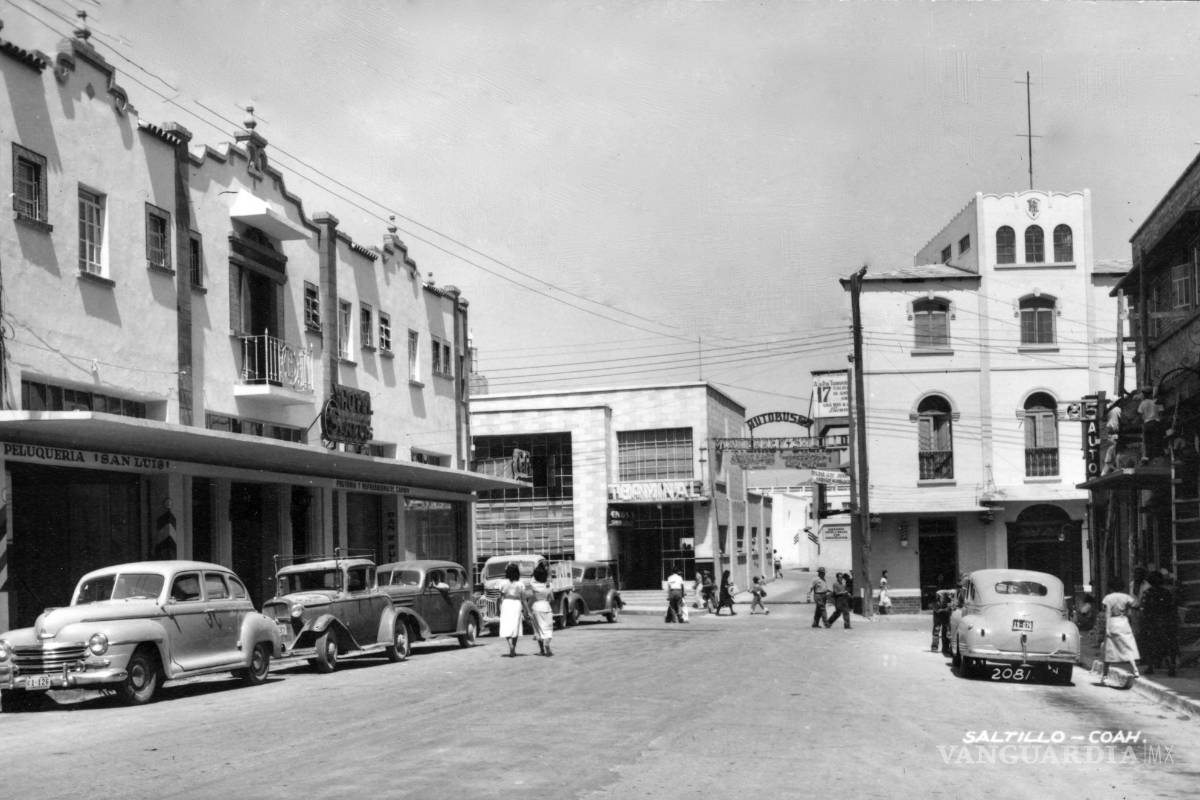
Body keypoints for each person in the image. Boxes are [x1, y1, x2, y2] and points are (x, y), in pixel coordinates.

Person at [1138, 571, 1178, 677]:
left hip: (1152, 622)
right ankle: (1172, 666)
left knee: (1151, 644)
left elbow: (1144, 609)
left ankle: (1151, 667)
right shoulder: (1167, 592)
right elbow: (1172, 607)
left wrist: (1144, 622)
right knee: (1169, 645)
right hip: (1166, 622)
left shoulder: (1148, 593)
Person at [1099, 587, 1141, 684]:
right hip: (1123, 622)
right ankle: (1135, 670)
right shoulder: (1126, 597)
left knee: (1109, 651)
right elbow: (1136, 605)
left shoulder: (1108, 598)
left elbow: (1108, 613)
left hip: (1113, 623)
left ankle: (1104, 676)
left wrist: (1107, 628)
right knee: (1128, 647)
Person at [498, 562, 529, 657]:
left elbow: (500, 598)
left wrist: (498, 609)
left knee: (506, 625)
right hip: (516, 604)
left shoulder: (503, 583)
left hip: (506, 604)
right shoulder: (520, 584)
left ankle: (510, 645)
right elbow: (524, 599)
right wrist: (526, 610)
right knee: (516, 626)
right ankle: (513, 647)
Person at [528, 561, 555, 656]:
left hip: (536, 607)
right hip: (546, 606)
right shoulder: (549, 585)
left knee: (538, 629)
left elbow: (533, 578)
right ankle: (547, 644)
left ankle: (541, 650)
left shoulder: (533, 584)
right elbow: (551, 598)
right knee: (548, 629)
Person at [931, 588, 953, 654]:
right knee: (936, 631)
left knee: (946, 632)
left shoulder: (949, 598)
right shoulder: (936, 600)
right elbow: (937, 610)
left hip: (945, 617)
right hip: (938, 617)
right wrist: (946, 609)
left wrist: (948, 608)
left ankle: (945, 648)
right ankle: (934, 647)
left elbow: (950, 607)